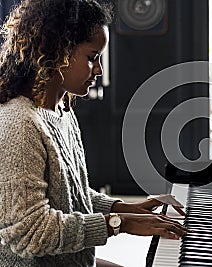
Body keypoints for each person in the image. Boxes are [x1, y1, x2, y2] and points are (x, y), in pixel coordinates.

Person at [0, 0, 187, 266]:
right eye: (92, 58)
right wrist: (119, 224)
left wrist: (122, 208)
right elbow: (30, 233)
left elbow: (67, 196)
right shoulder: (18, 124)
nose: (98, 70)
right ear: (57, 50)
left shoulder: (61, 111)